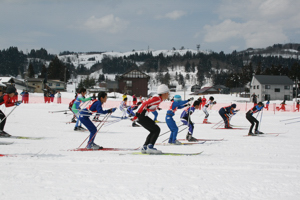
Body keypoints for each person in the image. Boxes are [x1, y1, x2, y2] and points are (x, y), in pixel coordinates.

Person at [132, 84, 169, 154]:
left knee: (153, 130)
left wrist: (155, 108)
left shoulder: (158, 99)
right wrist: (137, 114)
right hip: (141, 116)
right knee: (157, 129)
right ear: (164, 93)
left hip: (142, 116)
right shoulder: (157, 98)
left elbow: (148, 106)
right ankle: (150, 147)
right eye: (168, 93)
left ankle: (145, 147)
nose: (168, 95)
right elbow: (144, 104)